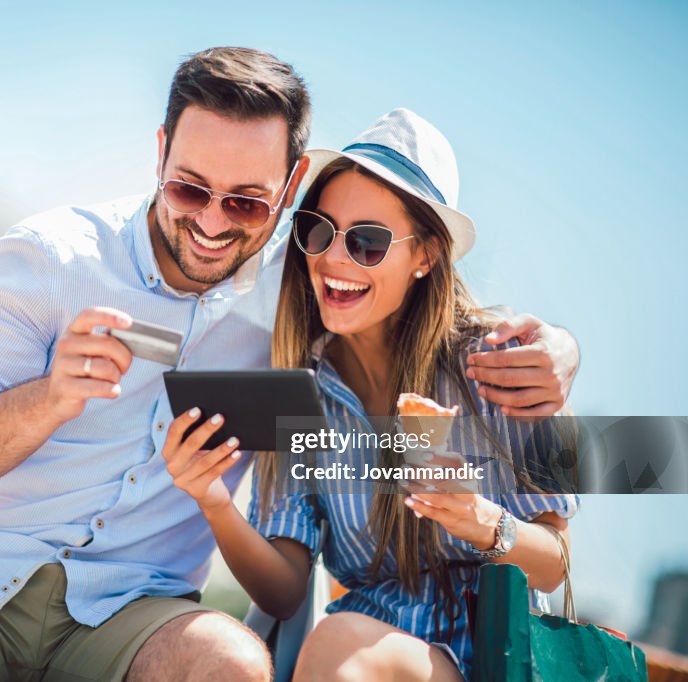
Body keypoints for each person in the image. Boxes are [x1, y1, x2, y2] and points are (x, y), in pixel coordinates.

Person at [0, 49, 579, 682]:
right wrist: (55, 398)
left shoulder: (343, 313)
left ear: (283, 194)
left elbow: (579, 512)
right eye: (188, 187)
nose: (212, 220)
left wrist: (559, 356)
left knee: (247, 664)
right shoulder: (55, 264)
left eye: (246, 202)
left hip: (149, 615)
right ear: (160, 154)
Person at [162, 108, 578, 681]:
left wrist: (478, 518)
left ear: (426, 255)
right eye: (318, 230)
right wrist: (212, 499)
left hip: (490, 660)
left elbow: (556, 565)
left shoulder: (502, 366)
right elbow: (284, 591)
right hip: (351, 653)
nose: (333, 258)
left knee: (339, 645)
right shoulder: (299, 391)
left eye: (368, 242)